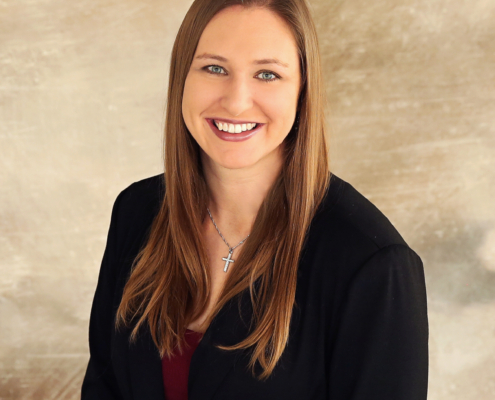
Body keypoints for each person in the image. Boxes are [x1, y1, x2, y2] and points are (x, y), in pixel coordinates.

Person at [81, 0, 429, 399]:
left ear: (303, 90)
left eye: (267, 74)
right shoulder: (137, 212)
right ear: (182, 76)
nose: (236, 101)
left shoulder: (373, 266)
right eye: (214, 68)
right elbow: (103, 387)